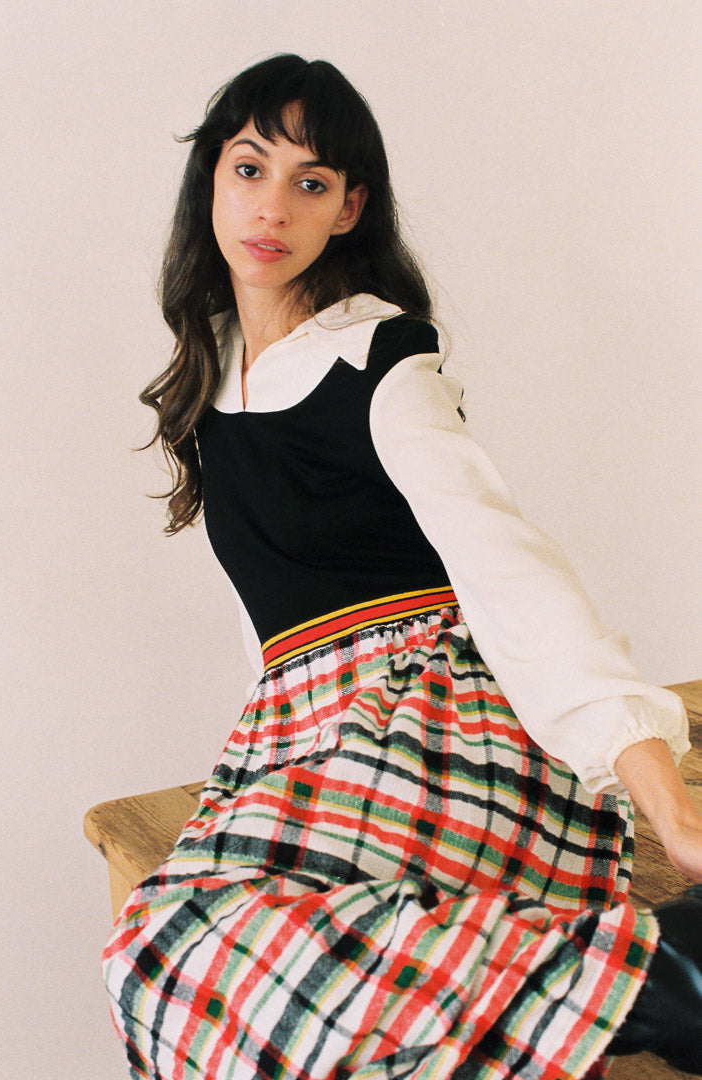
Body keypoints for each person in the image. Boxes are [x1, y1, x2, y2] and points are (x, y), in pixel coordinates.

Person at [101, 54, 702, 1079]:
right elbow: (271, 622)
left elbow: (509, 569)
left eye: (312, 181)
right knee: (154, 963)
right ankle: (662, 980)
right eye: (249, 169)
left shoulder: (384, 363)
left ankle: (666, 982)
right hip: (298, 731)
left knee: (250, 968)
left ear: (349, 209)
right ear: (207, 178)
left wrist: (663, 797)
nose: (272, 206)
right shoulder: (207, 384)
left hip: (433, 712)